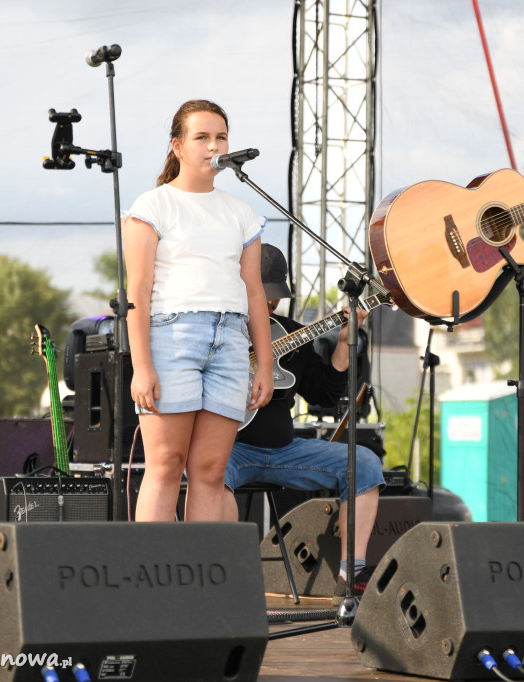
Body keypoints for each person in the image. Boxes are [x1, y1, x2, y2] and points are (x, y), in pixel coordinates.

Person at [122, 99, 274, 522]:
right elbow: (138, 289)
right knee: (167, 464)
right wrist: (142, 365)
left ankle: (197, 579)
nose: (213, 145)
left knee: (209, 471)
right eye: (202, 137)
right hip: (172, 336)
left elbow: (255, 293)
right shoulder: (153, 206)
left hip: (230, 341)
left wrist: (263, 364)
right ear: (178, 146)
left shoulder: (242, 213)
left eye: (221, 137)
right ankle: (151, 579)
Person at [222, 244, 385, 600]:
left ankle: (350, 576)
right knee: (211, 475)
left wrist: (344, 343)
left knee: (365, 464)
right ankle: (226, 578)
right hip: (230, 450)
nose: (268, 304)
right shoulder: (219, 332)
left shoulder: (293, 334)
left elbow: (325, 395)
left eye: (273, 298)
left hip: (284, 450)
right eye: (261, 295)